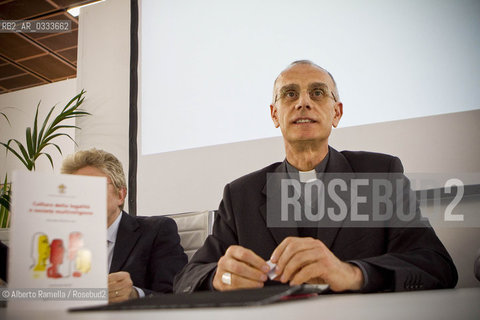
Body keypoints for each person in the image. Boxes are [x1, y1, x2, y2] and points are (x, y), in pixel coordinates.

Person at [173, 60, 457, 293]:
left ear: (337, 113)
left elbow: (436, 265)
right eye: (290, 94)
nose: (303, 103)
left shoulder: (381, 174)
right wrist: (218, 278)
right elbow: (187, 278)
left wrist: (352, 274)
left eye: (318, 93)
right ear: (275, 115)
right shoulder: (240, 195)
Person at [61, 148, 187, 303]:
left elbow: (177, 296)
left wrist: (134, 294)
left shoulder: (157, 231)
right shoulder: (61, 241)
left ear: (120, 195)